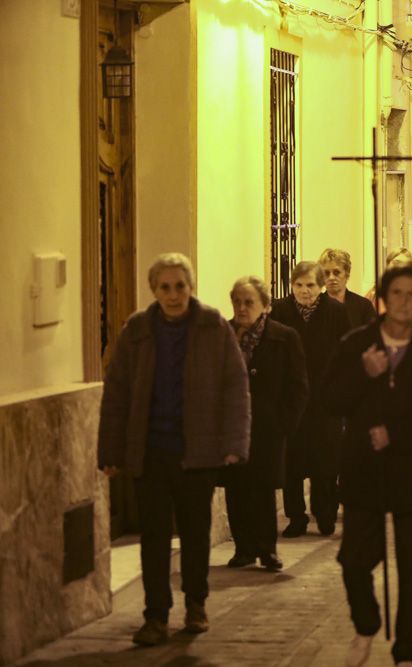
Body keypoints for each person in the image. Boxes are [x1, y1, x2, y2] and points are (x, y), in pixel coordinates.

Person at [98, 253, 250, 646]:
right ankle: (155, 616)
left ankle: (196, 604)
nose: (173, 294)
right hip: (150, 453)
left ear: (191, 287)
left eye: (179, 286)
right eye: (164, 287)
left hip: (197, 453)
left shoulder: (212, 326)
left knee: (196, 534)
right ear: (154, 291)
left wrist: (234, 443)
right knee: (153, 537)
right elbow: (117, 393)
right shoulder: (137, 330)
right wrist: (112, 451)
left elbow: (236, 387)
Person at [331, 261, 412, 667]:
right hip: (363, 471)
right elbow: (329, 400)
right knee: (354, 559)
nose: (404, 302)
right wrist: (363, 375)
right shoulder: (357, 345)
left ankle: (408, 649)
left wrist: (399, 434)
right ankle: (366, 622)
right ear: (383, 299)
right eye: (397, 294)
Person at [223, 276, 309, 572]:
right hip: (233, 426)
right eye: (237, 302)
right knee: (236, 489)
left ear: (265, 305)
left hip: (268, 426)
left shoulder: (283, 337)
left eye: (249, 302)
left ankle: (267, 549)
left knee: (262, 488)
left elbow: (298, 386)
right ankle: (243, 548)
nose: (242, 308)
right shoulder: (224, 335)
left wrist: (285, 424)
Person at [271, 261, 350, 538]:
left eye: (311, 285)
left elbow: (346, 353)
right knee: (292, 462)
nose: (305, 291)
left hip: (325, 400)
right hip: (292, 399)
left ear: (321, 288)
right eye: (299, 285)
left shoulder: (336, 313)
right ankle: (296, 516)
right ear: (292, 286)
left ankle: (325, 513)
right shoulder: (280, 311)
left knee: (326, 463)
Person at [319, 248, 376, 330]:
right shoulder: (315, 307)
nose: (331, 277)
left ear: (347, 275)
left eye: (336, 272)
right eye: (326, 273)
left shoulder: (364, 306)